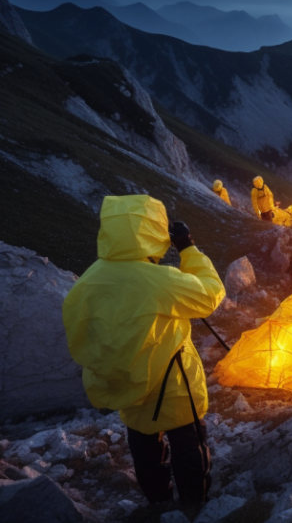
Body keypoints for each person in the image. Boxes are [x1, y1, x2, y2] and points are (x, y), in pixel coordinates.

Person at [62, 195, 225, 508]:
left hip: (127, 385)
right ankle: (194, 506)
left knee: (144, 445)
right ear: (152, 232)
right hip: (172, 384)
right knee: (187, 444)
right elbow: (210, 294)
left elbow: (81, 336)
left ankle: (159, 502)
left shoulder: (87, 282)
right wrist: (188, 248)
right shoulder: (157, 281)